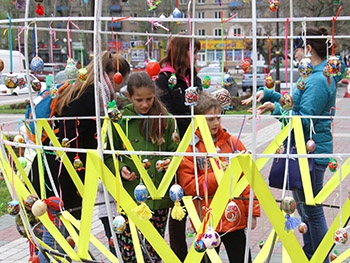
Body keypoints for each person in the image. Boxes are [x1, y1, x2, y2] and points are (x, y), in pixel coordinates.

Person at [242, 26, 345, 262]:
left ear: (307, 49)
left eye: (297, 50)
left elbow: (303, 118)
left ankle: (319, 256)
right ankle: (313, 255)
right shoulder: (312, 75)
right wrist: (268, 95)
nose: (295, 55)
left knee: (312, 209)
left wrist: (275, 109)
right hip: (303, 149)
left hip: (310, 150)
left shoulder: (319, 80)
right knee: (306, 209)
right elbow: (293, 105)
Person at [30, 51, 131, 262]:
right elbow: (82, 138)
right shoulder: (93, 96)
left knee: (61, 224)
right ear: (113, 74)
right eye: (120, 78)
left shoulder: (82, 89)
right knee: (62, 226)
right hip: (65, 170)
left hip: (56, 163)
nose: (120, 85)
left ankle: (49, 257)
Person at [104, 71, 179, 263]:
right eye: (139, 100)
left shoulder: (166, 119)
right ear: (129, 96)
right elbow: (108, 154)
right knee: (129, 252)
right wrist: (119, 168)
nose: (145, 104)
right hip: (130, 196)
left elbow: (175, 150)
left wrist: (171, 161)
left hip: (158, 197)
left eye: (149, 99)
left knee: (154, 250)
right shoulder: (119, 120)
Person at [177, 91, 261, 263]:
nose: (216, 123)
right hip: (207, 220)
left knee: (242, 259)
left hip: (234, 219)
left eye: (219, 117)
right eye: (210, 119)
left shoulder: (233, 143)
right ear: (198, 119)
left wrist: (252, 211)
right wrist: (221, 176)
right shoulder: (190, 149)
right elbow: (190, 186)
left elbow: (248, 180)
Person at [155, 35, 202, 262]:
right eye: (193, 52)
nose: (196, 57)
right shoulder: (165, 79)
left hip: (197, 149)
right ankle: (180, 256)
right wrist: (191, 121)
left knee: (199, 200)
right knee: (178, 204)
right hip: (176, 148)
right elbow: (167, 115)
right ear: (182, 52)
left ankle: (202, 252)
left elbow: (200, 107)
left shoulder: (193, 79)